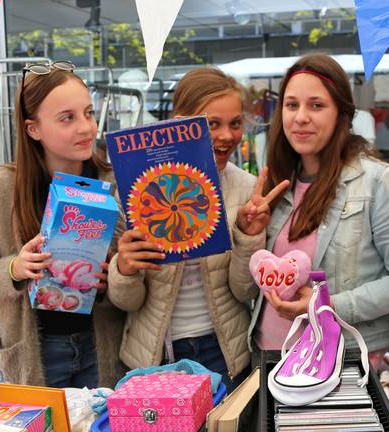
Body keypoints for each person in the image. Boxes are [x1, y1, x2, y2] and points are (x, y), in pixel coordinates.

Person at [106, 67, 288, 393]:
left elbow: (244, 292)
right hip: (154, 354)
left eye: (235, 123)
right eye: (212, 124)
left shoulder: (247, 191)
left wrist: (248, 236)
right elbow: (126, 303)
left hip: (224, 351)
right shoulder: (136, 189)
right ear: (181, 124)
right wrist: (124, 269)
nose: (227, 136)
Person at [0, 62, 126, 388]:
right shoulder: (0, 188)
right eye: (67, 118)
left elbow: (133, 277)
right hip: (34, 354)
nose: (86, 127)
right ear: (33, 129)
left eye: (88, 113)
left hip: (102, 346)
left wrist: (111, 278)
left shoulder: (112, 182)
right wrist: (15, 268)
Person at [249, 53, 389, 367]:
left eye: (316, 105)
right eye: (291, 105)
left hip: (340, 364)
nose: (301, 117)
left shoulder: (380, 183)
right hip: (268, 359)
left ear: (342, 113)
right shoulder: (275, 185)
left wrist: (324, 304)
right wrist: (248, 235)